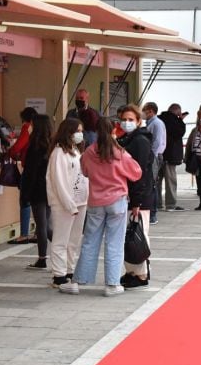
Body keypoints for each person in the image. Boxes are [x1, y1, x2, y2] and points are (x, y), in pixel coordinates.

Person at [60, 117, 141, 297]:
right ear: (114, 131)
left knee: (89, 242)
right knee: (114, 243)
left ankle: (77, 282)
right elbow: (136, 173)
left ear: (96, 131)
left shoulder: (89, 152)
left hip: (95, 202)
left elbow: (85, 172)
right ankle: (112, 284)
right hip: (117, 202)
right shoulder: (120, 152)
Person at [45, 118, 88, 288]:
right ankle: (59, 274)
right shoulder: (58, 153)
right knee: (61, 239)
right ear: (68, 132)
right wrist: (69, 204)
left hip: (80, 201)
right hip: (64, 204)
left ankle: (69, 269)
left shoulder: (75, 150)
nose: (80, 134)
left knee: (74, 239)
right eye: (77, 130)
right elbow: (59, 181)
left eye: (81, 130)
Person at [116, 105, 155, 289]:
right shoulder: (128, 138)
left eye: (131, 119)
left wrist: (137, 201)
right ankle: (133, 271)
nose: (127, 122)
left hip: (139, 196)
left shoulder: (140, 141)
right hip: (131, 195)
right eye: (124, 119)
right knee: (130, 234)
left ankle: (141, 274)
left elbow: (138, 172)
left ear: (138, 121)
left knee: (138, 235)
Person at [20, 114, 53, 270]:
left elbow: (30, 172)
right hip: (50, 189)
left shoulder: (35, 147)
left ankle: (42, 258)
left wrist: (25, 193)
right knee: (45, 223)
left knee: (42, 225)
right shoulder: (52, 145)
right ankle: (62, 247)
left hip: (37, 190)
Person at [8, 107, 37, 245]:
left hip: (29, 167)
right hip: (39, 169)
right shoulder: (40, 129)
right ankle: (38, 232)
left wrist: (11, 153)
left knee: (25, 200)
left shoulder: (27, 127)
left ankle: (24, 234)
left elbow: (18, 146)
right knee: (37, 201)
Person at [141, 102, 166, 224]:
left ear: (150, 111)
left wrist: (151, 156)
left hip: (154, 156)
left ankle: (153, 214)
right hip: (152, 156)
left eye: (144, 111)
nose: (143, 114)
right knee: (150, 184)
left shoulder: (157, 124)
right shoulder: (150, 123)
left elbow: (157, 141)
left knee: (152, 184)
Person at [159, 103, 187, 211]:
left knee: (157, 181)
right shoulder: (174, 120)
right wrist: (181, 120)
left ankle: (157, 203)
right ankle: (170, 204)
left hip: (159, 154)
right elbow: (180, 132)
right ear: (177, 111)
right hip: (170, 155)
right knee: (170, 181)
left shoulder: (160, 118)